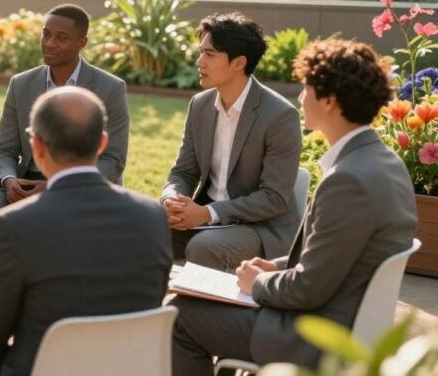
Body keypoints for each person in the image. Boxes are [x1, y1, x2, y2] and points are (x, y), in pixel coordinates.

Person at [171, 39, 418, 375]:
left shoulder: (348, 180)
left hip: (313, 335)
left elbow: (307, 288)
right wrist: (275, 266)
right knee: (197, 305)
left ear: (329, 101)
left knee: (179, 315)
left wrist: (255, 284)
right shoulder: (385, 161)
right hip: (338, 316)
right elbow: (333, 257)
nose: (301, 98)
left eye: (306, 89)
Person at [0, 87, 171, 376]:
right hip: (127, 368)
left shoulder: (13, 225)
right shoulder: (152, 216)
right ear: (102, 143)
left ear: (37, 147)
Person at [0, 3, 129, 271]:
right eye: (46, 34)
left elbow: (113, 160)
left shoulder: (110, 88)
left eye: (61, 38)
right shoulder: (21, 84)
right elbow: (3, 150)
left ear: (82, 42)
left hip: (82, 186)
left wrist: (56, 186)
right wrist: (8, 181)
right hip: (24, 184)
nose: (49, 43)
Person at [161, 13, 302, 271]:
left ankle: (197, 311)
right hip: (205, 216)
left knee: (202, 247)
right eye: (201, 52)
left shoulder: (280, 115)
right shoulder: (200, 105)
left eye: (210, 54)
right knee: (142, 228)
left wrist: (207, 214)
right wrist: (172, 200)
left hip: (259, 227)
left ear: (239, 63)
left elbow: (273, 198)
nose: (199, 62)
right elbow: (183, 171)